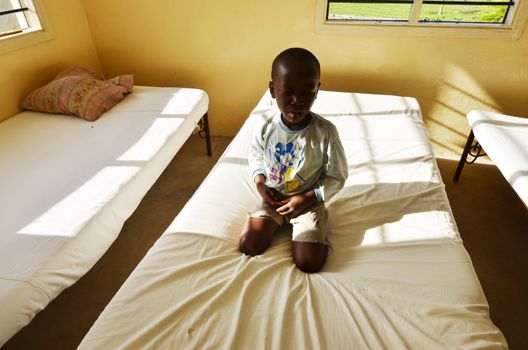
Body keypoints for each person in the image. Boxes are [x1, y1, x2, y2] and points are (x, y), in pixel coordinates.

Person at [239, 47, 348, 273]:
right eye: (287, 92)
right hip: (274, 197)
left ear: (317, 90)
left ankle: (316, 224)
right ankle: (278, 222)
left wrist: (310, 197)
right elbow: (256, 155)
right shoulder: (266, 127)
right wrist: (260, 182)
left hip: (308, 201)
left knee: (308, 263)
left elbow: (337, 176)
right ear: (272, 90)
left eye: (307, 92)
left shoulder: (326, 133)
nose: (297, 101)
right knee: (249, 245)